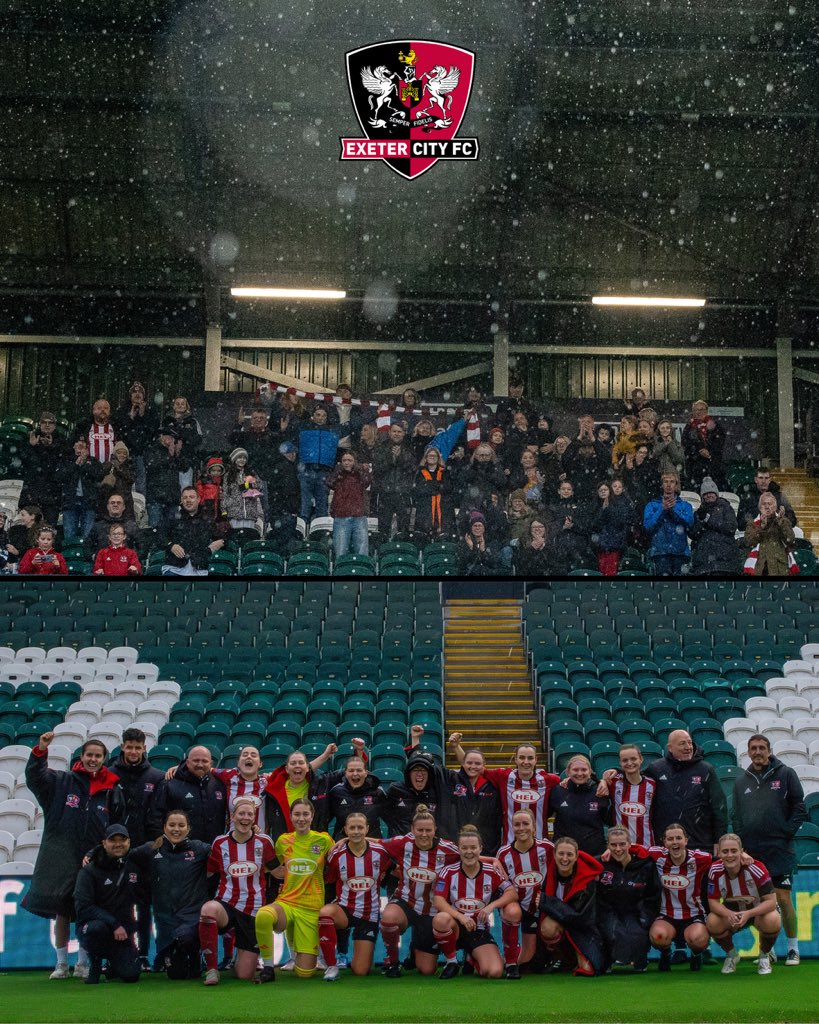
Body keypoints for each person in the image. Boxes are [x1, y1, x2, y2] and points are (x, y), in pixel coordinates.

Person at [23, 732, 125, 980]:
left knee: (87, 910)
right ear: (81, 757)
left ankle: (82, 962)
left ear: (104, 759)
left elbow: (117, 823)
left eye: (98, 756)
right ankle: (60, 963)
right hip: (62, 855)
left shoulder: (112, 788)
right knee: (62, 910)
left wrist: (104, 852)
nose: (93, 759)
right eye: (89, 755)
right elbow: (35, 778)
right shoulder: (62, 781)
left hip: (94, 858)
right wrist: (40, 751)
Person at [732, 734, 806, 966]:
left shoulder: (786, 774)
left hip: (779, 849)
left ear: (769, 750)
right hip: (753, 852)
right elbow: (736, 815)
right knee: (758, 903)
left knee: (783, 899)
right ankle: (769, 949)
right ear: (748, 752)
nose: (758, 752)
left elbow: (800, 806)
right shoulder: (741, 781)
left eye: (762, 748)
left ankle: (793, 949)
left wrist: (786, 831)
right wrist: (742, 842)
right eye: (753, 748)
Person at [254, 798, 334, 982]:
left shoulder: (323, 840)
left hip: (311, 907)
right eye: (297, 814)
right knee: (264, 915)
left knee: (305, 974)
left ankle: (296, 943)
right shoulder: (283, 840)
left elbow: (340, 855)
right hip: (287, 902)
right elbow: (272, 867)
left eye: (305, 814)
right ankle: (267, 967)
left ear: (312, 816)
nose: (301, 818)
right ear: (290, 817)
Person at [199, 797, 277, 985]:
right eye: (241, 813)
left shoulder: (264, 842)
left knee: (244, 974)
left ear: (254, 818)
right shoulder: (220, 843)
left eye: (250, 814)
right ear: (232, 817)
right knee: (208, 910)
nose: (246, 817)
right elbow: (209, 872)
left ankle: (238, 955)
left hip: (254, 910)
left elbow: (277, 872)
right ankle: (211, 969)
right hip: (227, 903)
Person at [379, 805, 460, 977]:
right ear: (412, 830)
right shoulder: (403, 843)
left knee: (427, 970)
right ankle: (393, 963)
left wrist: (492, 860)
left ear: (435, 830)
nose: (424, 834)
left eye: (428, 830)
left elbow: (470, 856)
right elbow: (376, 843)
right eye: (420, 830)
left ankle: (417, 949)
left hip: (431, 910)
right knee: (388, 918)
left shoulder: (448, 849)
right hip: (406, 901)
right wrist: (345, 840)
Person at [129, 810, 211, 980]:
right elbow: (122, 852)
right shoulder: (151, 849)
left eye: (181, 825)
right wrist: (93, 854)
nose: (176, 829)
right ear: (164, 827)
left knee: (187, 941)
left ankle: (196, 954)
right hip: (166, 921)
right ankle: (171, 954)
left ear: (188, 828)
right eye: (172, 825)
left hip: (192, 918)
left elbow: (227, 851)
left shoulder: (200, 849)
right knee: (176, 975)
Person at [432, 824, 518, 980]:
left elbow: (512, 892)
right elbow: (438, 900)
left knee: (495, 972)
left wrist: (491, 906)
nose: (469, 852)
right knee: (441, 919)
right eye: (464, 848)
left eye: (473, 847)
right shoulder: (448, 871)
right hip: (456, 928)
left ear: (480, 848)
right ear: (458, 849)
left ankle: (472, 958)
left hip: (478, 931)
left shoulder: (491, 871)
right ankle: (451, 962)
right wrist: (460, 917)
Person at [109, 728, 164, 968]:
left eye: (137, 747)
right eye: (129, 747)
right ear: (123, 747)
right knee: (116, 905)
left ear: (144, 748)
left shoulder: (156, 777)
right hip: (115, 850)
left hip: (146, 852)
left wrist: (153, 846)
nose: (133, 751)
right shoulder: (109, 775)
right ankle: (115, 956)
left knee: (144, 906)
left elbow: (158, 814)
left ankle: (143, 955)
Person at [319, 812, 394, 980]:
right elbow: (329, 880)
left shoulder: (380, 852)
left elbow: (392, 869)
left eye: (360, 827)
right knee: (325, 913)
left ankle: (361, 955)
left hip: (369, 915)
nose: (356, 831)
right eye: (352, 828)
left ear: (367, 829)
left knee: (360, 970)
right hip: (344, 910)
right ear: (345, 830)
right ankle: (332, 966)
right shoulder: (336, 854)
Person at [449, 737, 559, 845]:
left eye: (530, 758)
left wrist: (567, 780)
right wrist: (456, 747)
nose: (526, 762)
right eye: (521, 757)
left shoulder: (549, 780)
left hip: (540, 846)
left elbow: (570, 781)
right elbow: (473, 766)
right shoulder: (504, 776)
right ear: (515, 759)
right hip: (510, 846)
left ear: (536, 760)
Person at [410, 728, 501, 855]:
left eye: (477, 763)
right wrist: (416, 739)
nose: (473, 766)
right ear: (463, 763)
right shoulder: (451, 779)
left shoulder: (492, 787)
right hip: (453, 848)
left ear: (484, 765)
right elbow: (423, 763)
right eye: (469, 762)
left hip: (484, 849)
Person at [74, 824, 143, 985]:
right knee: (97, 928)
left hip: (122, 933)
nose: (118, 844)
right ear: (104, 843)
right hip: (94, 928)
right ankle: (95, 964)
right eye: (113, 840)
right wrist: (114, 924)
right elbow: (84, 907)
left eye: (122, 840)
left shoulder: (133, 867)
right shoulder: (89, 871)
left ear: (129, 842)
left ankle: (112, 964)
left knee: (131, 975)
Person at [706, 833, 781, 976]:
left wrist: (748, 914)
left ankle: (765, 955)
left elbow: (771, 902)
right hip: (733, 912)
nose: (729, 855)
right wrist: (729, 914)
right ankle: (732, 955)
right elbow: (713, 903)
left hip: (758, 911)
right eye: (725, 851)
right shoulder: (714, 870)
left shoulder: (757, 868)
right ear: (719, 853)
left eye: (734, 851)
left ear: (742, 851)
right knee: (712, 921)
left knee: (772, 919)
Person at [642, 729, 727, 854]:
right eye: (682, 743)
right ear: (670, 748)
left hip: (701, 843)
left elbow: (719, 807)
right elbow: (635, 779)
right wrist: (615, 772)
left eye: (689, 743)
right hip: (667, 846)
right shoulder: (657, 769)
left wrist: (719, 840)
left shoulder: (705, 769)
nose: (688, 747)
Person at [644, 823, 712, 971]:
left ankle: (696, 954)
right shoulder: (657, 855)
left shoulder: (701, 859)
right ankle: (666, 953)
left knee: (698, 940)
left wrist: (743, 855)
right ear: (664, 842)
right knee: (658, 937)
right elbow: (634, 849)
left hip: (693, 913)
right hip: (666, 914)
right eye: (670, 839)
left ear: (686, 841)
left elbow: (724, 859)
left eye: (678, 838)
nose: (674, 842)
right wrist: (610, 851)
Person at [496, 809, 555, 975]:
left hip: (538, 906)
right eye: (517, 824)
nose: (521, 828)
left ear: (534, 827)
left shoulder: (547, 848)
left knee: (529, 956)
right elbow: (502, 885)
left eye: (525, 824)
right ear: (512, 828)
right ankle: (510, 962)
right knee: (512, 912)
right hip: (516, 904)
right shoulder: (504, 853)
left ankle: (556, 957)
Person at [538, 836, 605, 976]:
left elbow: (580, 918)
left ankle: (573, 958)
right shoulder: (547, 873)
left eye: (569, 854)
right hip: (562, 922)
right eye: (561, 854)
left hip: (583, 928)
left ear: (576, 857)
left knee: (590, 969)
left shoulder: (587, 880)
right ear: (554, 855)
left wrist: (547, 902)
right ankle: (560, 957)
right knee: (547, 928)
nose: (564, 858)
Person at [596, 827, 658, 973]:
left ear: (630, 844)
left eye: (622, 844)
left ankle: (636, 959)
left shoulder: (645, 865)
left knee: (638, 935)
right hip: (608, 912)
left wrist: (645, 918)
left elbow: (653, 896)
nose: (618, 849)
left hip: (634, 912)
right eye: (613, 845)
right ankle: (611, 959)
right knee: (612, 933)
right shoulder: (599, 864)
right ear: (608, 846)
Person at [149, 745, 228, 844]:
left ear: (211, 763)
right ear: (187, 762)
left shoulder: (220, 785)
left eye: (204, 761)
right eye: (196, 760)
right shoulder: (170, 784)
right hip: (179, 851)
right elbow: (156, 817)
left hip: (213, 849)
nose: (200, 764)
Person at [547, 755, 610, 857]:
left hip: (594, 854)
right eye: (575, 770)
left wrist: (602, 781)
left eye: (584, 770)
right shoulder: (558, 791)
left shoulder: (600, 791)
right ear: (568, 772)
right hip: (565, 855)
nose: (580, 773)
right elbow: (546, 814)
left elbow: (609, 820)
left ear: (590, 771)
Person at [297, 406, 349, 521]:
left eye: (324, 415)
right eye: (318, 414)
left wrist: (376, 413)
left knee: (322, 505)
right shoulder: (303, 428)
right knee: (304, 504)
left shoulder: (333, 430)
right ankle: (302, 531)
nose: (321, 418)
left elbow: (353, 424)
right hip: (306, 470)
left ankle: (320, 531)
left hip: (324, 471)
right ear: (312, 416)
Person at [19, 411, 70, 525]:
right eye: (44, 422)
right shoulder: (30, 438)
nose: (47, 425)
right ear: (39, 424)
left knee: (49, 528)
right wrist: (32, 447)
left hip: (52, 495)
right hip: (32, 494)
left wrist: (51, 447)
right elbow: (23, 462)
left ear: (55, 425)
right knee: (30, 528)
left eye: (50, 422)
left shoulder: (61, 441)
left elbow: (58, 466)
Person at [161, 487, 225, 576]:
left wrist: (218, 544)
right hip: (174, 568)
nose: (188, 500)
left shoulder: (207, 519)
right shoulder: (173, 518)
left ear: (198, 499)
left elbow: (222, 538)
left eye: (191, 497)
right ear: (181, 500)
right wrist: (171, 546)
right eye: (185, 497)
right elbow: (160, 536)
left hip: (200, 568)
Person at [323, 752, 388, 840]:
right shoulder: (336, 792)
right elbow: (324, 820)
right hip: (343, 845)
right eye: (351, 770)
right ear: (345, 773)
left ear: (366, 773)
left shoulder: (378, 792)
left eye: (359, 770)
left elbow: (392, 820)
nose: (355, 773)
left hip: (372, 846)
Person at [111, 381, 159, 496]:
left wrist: (143, 416)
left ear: (144, 395)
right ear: (130, 395)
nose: (137, 394)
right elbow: (118, 430)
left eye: (140, 392)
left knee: (141, 483)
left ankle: (140, 507)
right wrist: (130, 417)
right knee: (123, 480)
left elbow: (153, 431)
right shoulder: (122, 411)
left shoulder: (151, 411)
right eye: (134, 392)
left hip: (143, 452)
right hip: (125, 453)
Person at [643, 471, 694, 577]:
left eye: (672, 482)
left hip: (680, 553)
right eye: (666, 482)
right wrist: (662, 509)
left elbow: (689, 523)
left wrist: (673, 510)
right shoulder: (652, 505)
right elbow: (648, 526)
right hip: (660, 552)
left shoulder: (685, 505)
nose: (669, 485)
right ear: (662, 485)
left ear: (676, 485)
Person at [607, 744, 657, 846]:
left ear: (641, 759)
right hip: (620, 847)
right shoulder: (613, 782)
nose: (629, 763)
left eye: (633, 759)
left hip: (646, 845)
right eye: (625, 760)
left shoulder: (652, 785)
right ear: (620, 763)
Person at [372, 421, 416, 537]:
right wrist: (392, 459)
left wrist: (400, 457)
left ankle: (403, 551)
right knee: (383, 528)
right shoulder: (381, 447)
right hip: (385, 493)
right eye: (394, 431)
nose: (396, 434)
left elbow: (412, 469)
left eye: (399, 432)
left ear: (404, 433)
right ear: (389, 432)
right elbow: (377, 469)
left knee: (404, 528)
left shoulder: (409, 448)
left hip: (403, 493)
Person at [144, 424, 192, 530]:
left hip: (172, 498)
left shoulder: (175, 452)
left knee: (172, 528)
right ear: (161, 436)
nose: (170, 440)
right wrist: (169, 456)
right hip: (156, 497)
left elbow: (184, 467)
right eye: (168, 436)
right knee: (155, 528)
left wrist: (178, 453)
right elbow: (151, 465)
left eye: (173, 438)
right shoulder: (152, 449)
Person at [689, 476, 739, 576]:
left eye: (711, 492)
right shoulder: (698, 513)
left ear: (716, 494)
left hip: (725, 561)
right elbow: (693, 534)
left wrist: (708, 520)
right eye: (706, 493)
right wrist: (701, 521)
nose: (709, 495)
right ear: (702, 497)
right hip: (703, 563)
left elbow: (731, 528)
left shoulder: (726, 508)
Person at [383, 750, 440, 837]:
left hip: (427, 845)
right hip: (400, 846)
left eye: (423, 770)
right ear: (408, 774)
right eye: (416, 770)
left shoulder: (437, 793)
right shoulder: (395, 791)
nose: (419, 774)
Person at [57, 437, 104, 538]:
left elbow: (99, 475)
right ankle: (70, 553)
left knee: (87, 535)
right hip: (70, 502)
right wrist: (76, 464)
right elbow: (60, 476)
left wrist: (85, 465)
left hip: (89, 503)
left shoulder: (93, 461)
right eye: (78, 444)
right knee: (69, 534)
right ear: (73, 446)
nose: (80, 446)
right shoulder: (66, 460)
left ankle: (86, 553)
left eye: (83, 444)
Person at [328, 451, 372, 558]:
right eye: (344, 460)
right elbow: (329, 482)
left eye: (350, 460)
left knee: (362, 552)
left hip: (359, 516)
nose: (347, 463)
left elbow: (367, 481)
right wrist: (339, 472)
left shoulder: (360, 474)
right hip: (341, 516)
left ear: (355, 462)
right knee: (340, 552)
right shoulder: (338, 474)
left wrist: (359, 470)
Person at [743, 491, 798, 576]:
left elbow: (790, 540)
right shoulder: (753, 523)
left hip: (779, 568)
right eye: (764, 504)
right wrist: (761, 527)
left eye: (770, 504)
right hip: (759, 568)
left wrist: (781, 522)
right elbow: (748, 542)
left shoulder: (783, 521)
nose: (767, 507)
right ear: (760, 507)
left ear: (775, 507)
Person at [591, 480, 634, 576]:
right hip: (599, 546)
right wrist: (603, 510)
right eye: (601, 490)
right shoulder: (594, 507)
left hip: (613, 545)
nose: (603, 492)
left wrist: (608, 509)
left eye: (605, 489)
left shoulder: (617, 506)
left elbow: (619, 523)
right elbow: (594, 526)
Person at [413, 447, 455, 540]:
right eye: (430, 455)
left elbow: (448, 487)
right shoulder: (419, 472)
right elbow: (418, 489)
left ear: (438, 457)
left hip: (442, 508)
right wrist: (437, 487)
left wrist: (430, 486)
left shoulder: (445, 472)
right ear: (426, 457)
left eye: (434, 455)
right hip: (425, 509)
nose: (432, 457)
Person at [682, 399, 725, 490]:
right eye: (696, 410)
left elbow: (720, 442)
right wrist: (699, 450)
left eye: (701, 410)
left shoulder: (715, 425)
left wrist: (709, 451)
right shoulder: (689, 426)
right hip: (694, 467)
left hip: (712, 466)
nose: (698, 412)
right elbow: (686, 443)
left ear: (706, 411)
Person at [221, 448, 264, 533]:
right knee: (236, 536)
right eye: (239, 457)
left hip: (250, 512)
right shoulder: (228, 475)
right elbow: (225, 494)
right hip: (234, 513)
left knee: (248, 536)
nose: (242, 460)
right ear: (234, 459)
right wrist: (224, 510)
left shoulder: (251, 473)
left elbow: (260, 485)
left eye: (244, 458)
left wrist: (248, 485)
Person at [85, 493, 139, 558]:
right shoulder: (98, 526)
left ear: (124, 507)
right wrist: (93, 555)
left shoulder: (131, 526)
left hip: (126, 564)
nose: (115, 505)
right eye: (112, 503)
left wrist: (132, 557)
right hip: (103, 565)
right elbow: (87, 544)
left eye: (118, 503)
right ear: (108, 507)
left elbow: (141, 545)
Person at [97, 440, 136, 518]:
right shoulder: (107, 465)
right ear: (114, 454)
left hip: (126, 502)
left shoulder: (130, 467)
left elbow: (131, 479)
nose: (122, 455)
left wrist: (119, 470)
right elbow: (99, 478)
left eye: (124, 453)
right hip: (109, 501)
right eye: (119, 453)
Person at [458, 511, 503, 576]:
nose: (477, 528)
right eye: (475, 526)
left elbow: (495, 563)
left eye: (480, 526)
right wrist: (471, 548)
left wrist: (483, 551)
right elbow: (462, 565)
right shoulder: (463, 543)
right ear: (471, 528)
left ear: (484, 528)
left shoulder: (492, 542)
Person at [161, 396, 202, 464]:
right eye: (177, 404)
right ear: (173, 406)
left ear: (186, 406)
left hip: (186, 458)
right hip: (167, 459)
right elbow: (160, 436)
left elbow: (199, 439)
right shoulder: (166, 421)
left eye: (182, 404)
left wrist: (184, 441)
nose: (180, 406)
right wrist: (169, 442)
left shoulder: (193, 421)